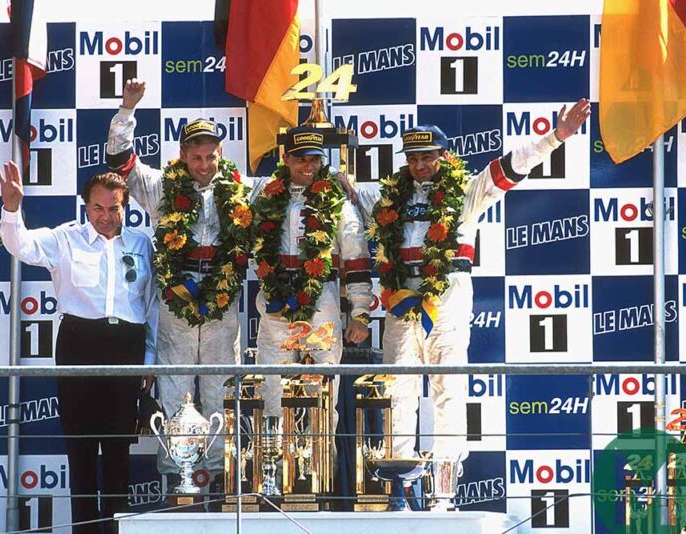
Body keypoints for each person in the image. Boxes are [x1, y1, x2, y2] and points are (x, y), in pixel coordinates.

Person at [355, 99, 591, 508]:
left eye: (427, 156)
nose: (420, 165)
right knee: (399, 392)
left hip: (445, 300)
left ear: (443, 157)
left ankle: (444, 493)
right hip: (399, 301)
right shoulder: (388, 197)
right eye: (413, 158)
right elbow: (348, 191)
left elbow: (512, 166)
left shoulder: (465, 191)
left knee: (449, 390)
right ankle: (399, 489)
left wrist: (557, 137)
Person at [106, 79, 270, 489]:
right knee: (177, 387)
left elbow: (287, 188)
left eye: (210, 156)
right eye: (195, 156)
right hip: (175, 301)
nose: (203, 164)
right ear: (182, 155)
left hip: (222, 301)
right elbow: (119, 160)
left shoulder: (241, 189)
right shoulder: (162, 185)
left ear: (221, 155)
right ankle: (179, 483)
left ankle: (217, 479)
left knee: (220, 391)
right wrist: (127, 111)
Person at [0, 161, 157, 533]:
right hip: (79, 346)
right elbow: (21, 245)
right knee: (81, 453)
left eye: (114, 207)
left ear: (126, 205)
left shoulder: (141, 243)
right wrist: (11, 209)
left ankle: (119, 531)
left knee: (118, 453)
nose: (106, 216)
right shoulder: (65, 238)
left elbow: (151, 308)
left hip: (127, 351)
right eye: (98, 208)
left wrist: (148, 361)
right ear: (86, 207)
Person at [252, 125, 373, 455]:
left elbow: (357, 262)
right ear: (287, 159)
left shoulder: (339, 205)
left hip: (322, 305)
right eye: (301, 159)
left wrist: (361, 314)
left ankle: (320, 473)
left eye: (316, 160)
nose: (309, 166)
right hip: (275, 305)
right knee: (272, 388)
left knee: (321, 387)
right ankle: (273, 471)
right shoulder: (265, 198)